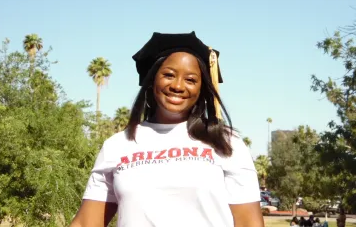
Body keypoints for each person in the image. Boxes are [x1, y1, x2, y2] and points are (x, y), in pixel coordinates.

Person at [70, 32, 264, 227]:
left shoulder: (226, 142)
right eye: (169, 75)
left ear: (202, 88)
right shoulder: (118, 145)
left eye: (190, 80)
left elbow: (249, 222)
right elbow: (86, 223)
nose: (178, 86)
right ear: (152, 79)